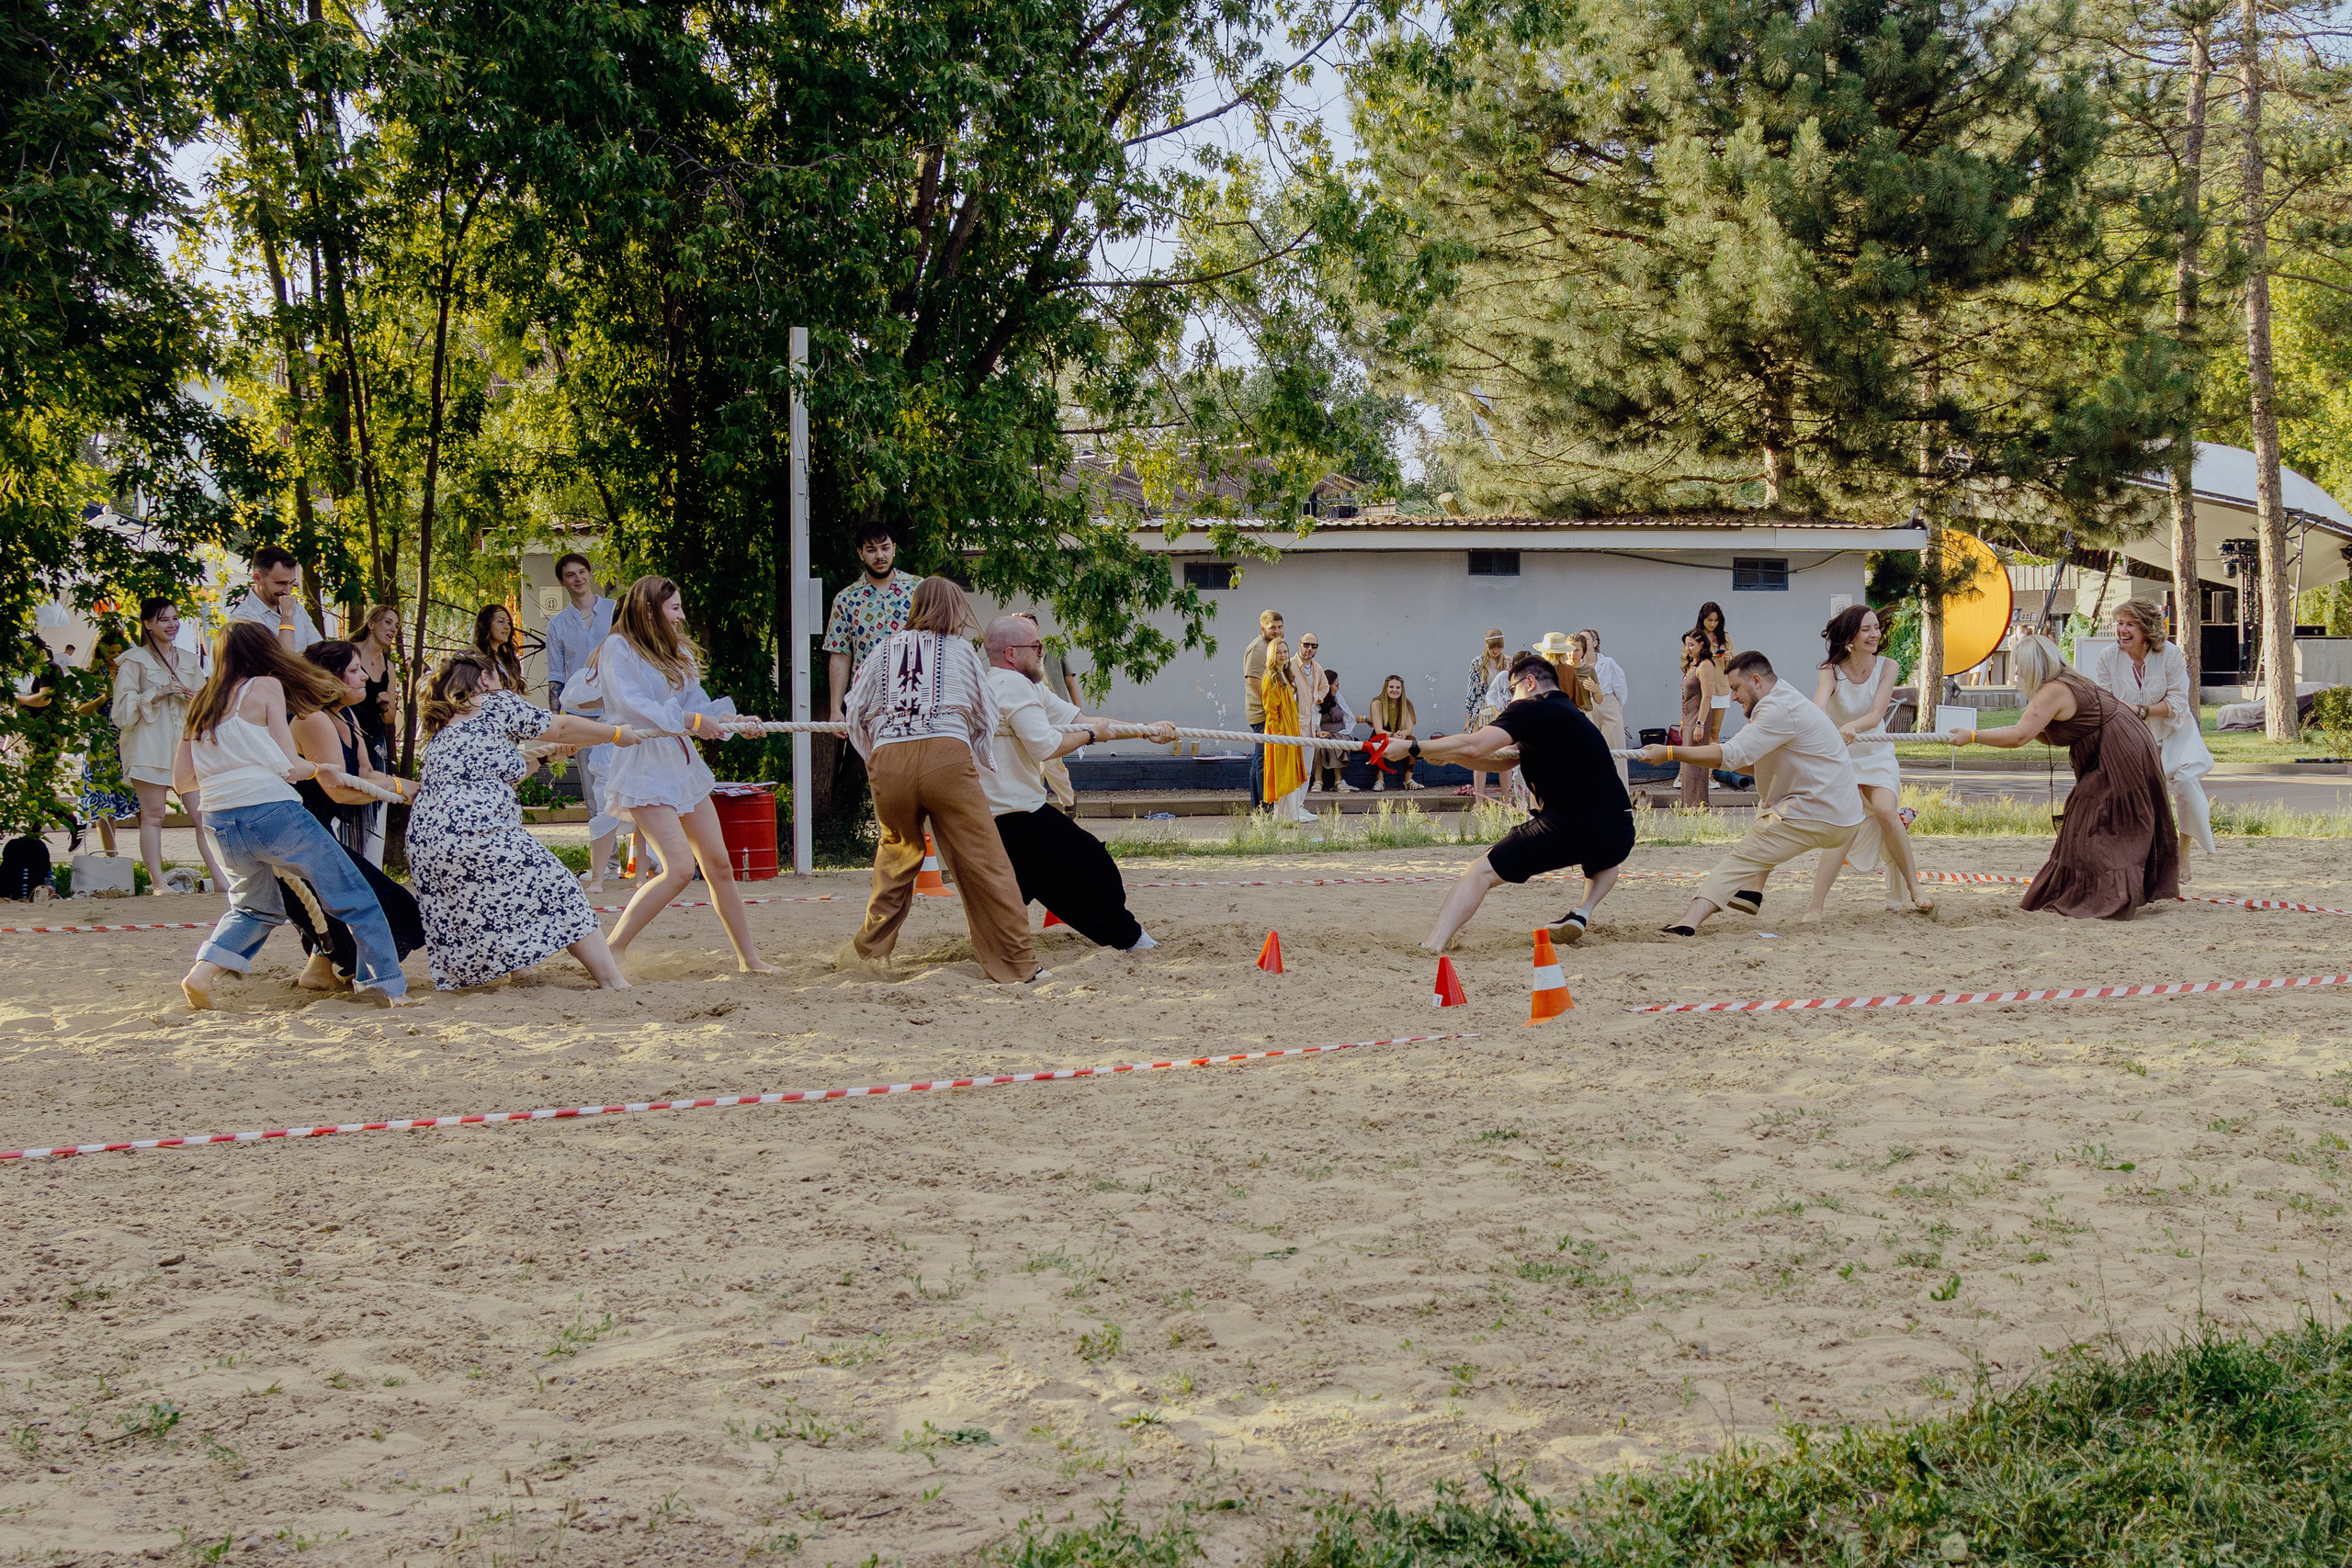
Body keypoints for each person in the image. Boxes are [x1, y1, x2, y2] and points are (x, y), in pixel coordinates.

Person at [175, 622, 409, 1010]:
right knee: (355, 897)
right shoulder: (265, 687)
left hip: (218, 819)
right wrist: (317, 769)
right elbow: (288, 766)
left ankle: (202, 973)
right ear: (262, 652)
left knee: (254, 907)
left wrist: (231, 764)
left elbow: (182, 779)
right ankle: (384, 984)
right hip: (272, 810)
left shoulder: (200, 702)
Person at [840, 577, 1044, 984]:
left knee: (896, 858)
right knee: (985, 862)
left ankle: (868, 954)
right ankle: (1018, 965)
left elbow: (854, 709)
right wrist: (980, 758)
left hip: (889, 758)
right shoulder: (961, 650)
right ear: (955, 609)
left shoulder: (883, 648)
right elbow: (985, 712)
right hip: (947, 759)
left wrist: (874, 759)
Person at [405, 653, 637, 989]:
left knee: (476, 909)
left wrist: (543, 758)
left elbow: (494, 777)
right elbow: (560, 726)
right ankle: (612, 980)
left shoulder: (446, 726)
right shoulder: (494, 702)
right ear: (484, 679)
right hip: (477, 828)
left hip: (427, 837)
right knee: (561, 890)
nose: (504, 685)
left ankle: (505, 975)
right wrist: (615, 733)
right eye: (499, 677)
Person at [595, 576, 778, 972]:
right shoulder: (618, 648)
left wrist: (732, 720)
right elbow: (634, 707)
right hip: (643, 765)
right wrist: (693, 719)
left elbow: (698, 704)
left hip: (682, 764)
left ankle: (750, 960)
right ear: (649, 612)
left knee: (719, 865)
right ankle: (612, 948)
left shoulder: (676, 650)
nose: (681, 616)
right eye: (674, 608)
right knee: (679, 869)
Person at [1391, 652, 1634, 949]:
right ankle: (1582, 912)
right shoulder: (1569, 713)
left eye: (1511, 691)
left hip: (1569, 825)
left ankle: (1434, 943)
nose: (1509, 700)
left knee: (1479, 872)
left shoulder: (1532, 708)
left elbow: (1475, 744)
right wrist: (1448, 755)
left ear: (1529, 682)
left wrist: (1412, 747)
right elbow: (1505, 761)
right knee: (1605, 861)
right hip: (1619, 830)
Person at [1948, 633, 2178, 919]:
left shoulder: (2054, 690)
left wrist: (1972, 736)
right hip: (2124, 742)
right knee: (2087, 817)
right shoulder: (2067, 682)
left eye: (2019, 665)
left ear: (2033, 665)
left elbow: (2019, 736)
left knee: (2098, 817)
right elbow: (2038, 731)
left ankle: (2109, 896)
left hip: (2120, 751)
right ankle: (2098, 891)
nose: (2017, 671)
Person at [981, 615, 1177, 950]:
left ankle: (1001, 945)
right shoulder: (1009, 685)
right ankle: (1130, 939)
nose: (1043, 652)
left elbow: (1082, 719)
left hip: (1007, 811)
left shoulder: (1025, 686)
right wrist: (1088, 736)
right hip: (1012, 812)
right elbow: (1047, 744)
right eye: (1037, 646)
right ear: (1012, 653)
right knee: (1090, 865)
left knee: (1026, 885)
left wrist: (1146, 730)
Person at [1640, 650, 1862, 936]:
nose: (1732, 697)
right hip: (1842, 814)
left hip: (1822, 814)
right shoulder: (1786, 698)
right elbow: (1755, 766)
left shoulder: (1776, 709)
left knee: (1742, 855)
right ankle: (1751, 893)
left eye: (1735, 688)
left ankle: (1688, 922)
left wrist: (1670, 752)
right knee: (1765, 810)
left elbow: (1732, 754)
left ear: (1755, 680)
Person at [281, 640, 428, 992]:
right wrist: (399, 790)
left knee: (385, 904)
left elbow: (364, 773)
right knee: (382, 905)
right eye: (353, 670)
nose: (364, 676)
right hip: (295, 836)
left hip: (318, 834)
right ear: (327, 679)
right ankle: (355, 976)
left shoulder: (344, 714)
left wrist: (417, 787)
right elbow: (340, 790)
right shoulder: (312, 718)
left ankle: (322, 971)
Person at [1805, 604, 1930, 918]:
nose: (1875, 634)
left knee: (1887, 811)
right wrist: (1824, 731)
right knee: (1843, 829)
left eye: (1876, 628)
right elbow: (1818, 707)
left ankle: (1915, 887)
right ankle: (1815, 907)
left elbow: (1876, 714)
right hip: (1842, 757)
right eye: (1866, 629)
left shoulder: (1888, 666)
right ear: (1850, 636)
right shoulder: (1829, 670)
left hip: (1876, 753)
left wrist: (1853, 727)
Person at [112, 596, 227, 893]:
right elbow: (121, 713)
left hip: (185, 746)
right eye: (164, 619)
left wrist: (197, 700)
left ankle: (220, 878)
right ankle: (159, 882)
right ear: (148, 624)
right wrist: (157, 693)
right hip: (148, 746)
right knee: (154, 815)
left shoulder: (190, 659)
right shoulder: (134, 660)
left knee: (203, 815)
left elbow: (208, 705)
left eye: (175, 618)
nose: (172, 625)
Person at [2094, 599, 2212, 880]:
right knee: (2137, 795)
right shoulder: (2106, 659)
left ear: (2146, 629)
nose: (2122, 630)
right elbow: (2104, 703)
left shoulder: (2169, 655)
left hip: (2175, 731)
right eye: (2119, 623)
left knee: (2185, 784)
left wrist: (2142, 710)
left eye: (2130, 624)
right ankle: (2141, 858)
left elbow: (2177, 702)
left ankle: (2183, 854)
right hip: (2131, 736)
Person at [542, 555, 628, 883]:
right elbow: (556, 677)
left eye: (582, 572)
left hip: (619, 712)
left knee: (635, 782)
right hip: (580, 718)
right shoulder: (558, 625)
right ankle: (607, 864)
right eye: (570, 575)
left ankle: (644, 859)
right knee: (594, 793)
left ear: (590, 575)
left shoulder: (612, 610)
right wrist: (555, 725)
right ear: (563, 582)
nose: (578, 579)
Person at [74, 627, 139, 856]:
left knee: (141, 800)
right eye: (110, 653)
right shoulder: (92, 675)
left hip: (130, 742)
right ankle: (111, 858)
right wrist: (104, 697)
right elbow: (80, 711)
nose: (114, 658)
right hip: (101, 746)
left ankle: (155, 859)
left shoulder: (132, 671)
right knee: (103, 803)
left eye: (119, 652)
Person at [350, 603, 402, 863]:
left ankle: (372, 865)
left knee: (374, 802)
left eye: (396, 625)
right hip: (348, 735)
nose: (393, 629)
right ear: (371, 623)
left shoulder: (389, 667)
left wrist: (384, 706)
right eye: (388, 622)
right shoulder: (350, 655)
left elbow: (391, 718)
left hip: (375, 742)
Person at [1260, 635, 1315, 823]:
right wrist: (1277, 736)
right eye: (1279, 652)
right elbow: (1270, 710)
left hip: (1292, 727)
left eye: (1285, 651)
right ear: (1272, 655)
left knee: (1292, 770)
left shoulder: (1287, 674)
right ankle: (1282, 817)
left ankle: (1292, 815)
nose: (1283, 655)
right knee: (1283, 772)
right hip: (1280, 730)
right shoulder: (1271, 677)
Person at [231, 544, 322, 652]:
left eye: (292, 583)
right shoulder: (244, 618)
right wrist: (287, 617)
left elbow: (319, 650)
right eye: (281, 583)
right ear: (258, 579)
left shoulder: (296, 607)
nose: (287, 591)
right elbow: (281, 663)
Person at [1677, 632, 1729, 807]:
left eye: (1691, 645)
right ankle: (1687, 803)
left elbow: (1707, 697)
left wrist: (1700, 724)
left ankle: (1698, 804)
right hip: (1690, 717)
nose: (1688, 649)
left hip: (1700, 718)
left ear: (1701, 645)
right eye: (1686, 645)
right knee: (1688, 761)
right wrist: (1683, 720)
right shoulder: (1693, 664)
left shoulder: (1706, 665)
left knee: (1696, 761)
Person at [1241, 609, 1285, 808]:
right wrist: (1271, 707)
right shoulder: (1259, 648)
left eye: (1279, 627)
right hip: (1262, 713)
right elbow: (1253, 681)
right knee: (1263, 760)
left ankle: (1262, 807)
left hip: (1269, 712)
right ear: (1263, 628)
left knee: (1261, 760)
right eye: (1272, 628)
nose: (1276, 631)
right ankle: (1263, 809)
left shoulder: (1273, 646)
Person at [1579, 629, 1630, 788]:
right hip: (1587, 706)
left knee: (1615, 750)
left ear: (1595, 643)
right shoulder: (1577, 666)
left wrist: (1616, 708)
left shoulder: (1608, 663)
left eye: (1586, 639)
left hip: (1608, 704)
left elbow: (1620, 687)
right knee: (1590, 751)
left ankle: (1620, 794)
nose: (1584, 642)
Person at [1465, 630, 1510, 801]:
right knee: (1479, 755)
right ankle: (1479, 800)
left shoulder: (1508, 661)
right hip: (1482, 710)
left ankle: (1506, 798)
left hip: (1501, 709)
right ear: (1487, 645)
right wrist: (1468, 718)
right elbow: (1471, 691)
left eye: (1499, 647)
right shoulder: (1477, 663)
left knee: (1505, 754)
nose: (1496, 651)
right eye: (1493, 647)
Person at [1365, 674, 1420, 792]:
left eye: (1398, 688)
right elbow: (1378, 729)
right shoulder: (1377, 703)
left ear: (1402, 689)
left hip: (1400, 736)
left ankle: (1408, 779)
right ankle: (1380, 780)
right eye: (1391, 687)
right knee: (1379, 742)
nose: (1394, 690)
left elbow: (1409, 728)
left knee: (1412, 741)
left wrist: (1404, 734)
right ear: (1386, 688)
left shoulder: (1407, 704)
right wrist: (1392, 735)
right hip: (1381, 735)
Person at [1314, 669, 1358, 793]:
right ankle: (1318, 780)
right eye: (1336, 685)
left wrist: (1346, 731)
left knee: (1338, 742)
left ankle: (1338, 780)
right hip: (1321, 732)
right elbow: (1310, 720)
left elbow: (1348, 717)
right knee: (1319, 744)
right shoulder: (1316, 700)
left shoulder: (1338, 698)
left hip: (1340, 731)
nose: (1338, 688)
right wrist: (1318, 732)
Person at [473, 603, 528, 692]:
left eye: (509, 623)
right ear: (486, 624)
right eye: (500, 621)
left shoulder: (508, 659)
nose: (507, 627)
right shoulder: (474, 653)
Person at [1690, 601, 1732, 665]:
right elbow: (1685, 662)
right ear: (1702, 619)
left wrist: (1730, 658)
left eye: (1716, 620)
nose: (1713, 624)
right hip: (1702, 674)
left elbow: (1734, 662)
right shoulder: (1693, 637)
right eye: (1710, 620)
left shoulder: (1725, 637)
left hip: (1721, 674)